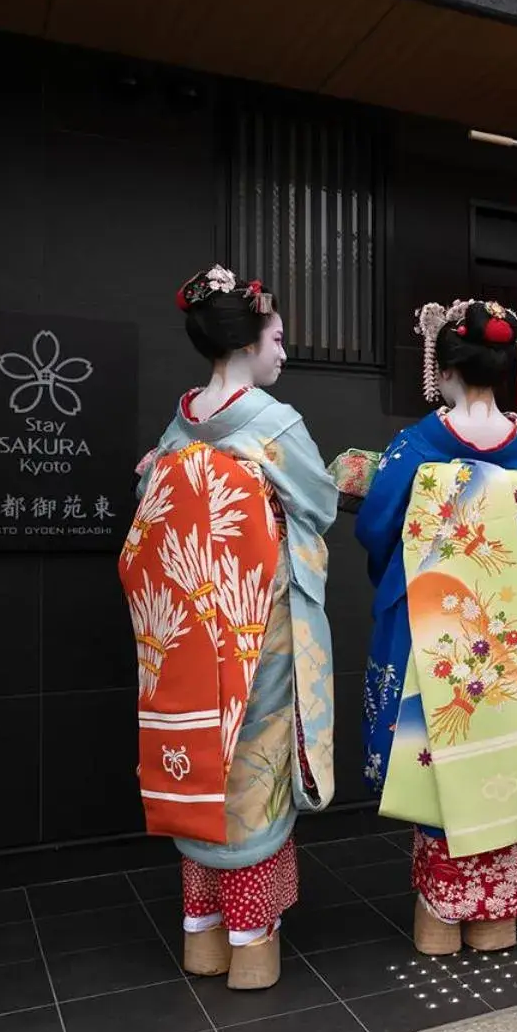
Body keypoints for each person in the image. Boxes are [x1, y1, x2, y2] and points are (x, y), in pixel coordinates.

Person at [120, 265, 337, 991]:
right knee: (256, 759)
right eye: (277, 337)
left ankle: (203, 937)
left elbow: (152, 495)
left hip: (186, 627)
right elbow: (319, 503)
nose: (283, 351)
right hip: (256, 621)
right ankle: (253, 943)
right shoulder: (274, 424)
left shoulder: (180, 421)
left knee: (199, 750)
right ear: (247, 343)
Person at [356, 299, 517, 956]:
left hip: (431, 633)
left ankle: (438, 919)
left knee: (432, 760)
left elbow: (374, 526)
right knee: (498, 759)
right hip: (500, 641)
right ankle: (495, 917)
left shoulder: (419, 443)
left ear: (445, 370)